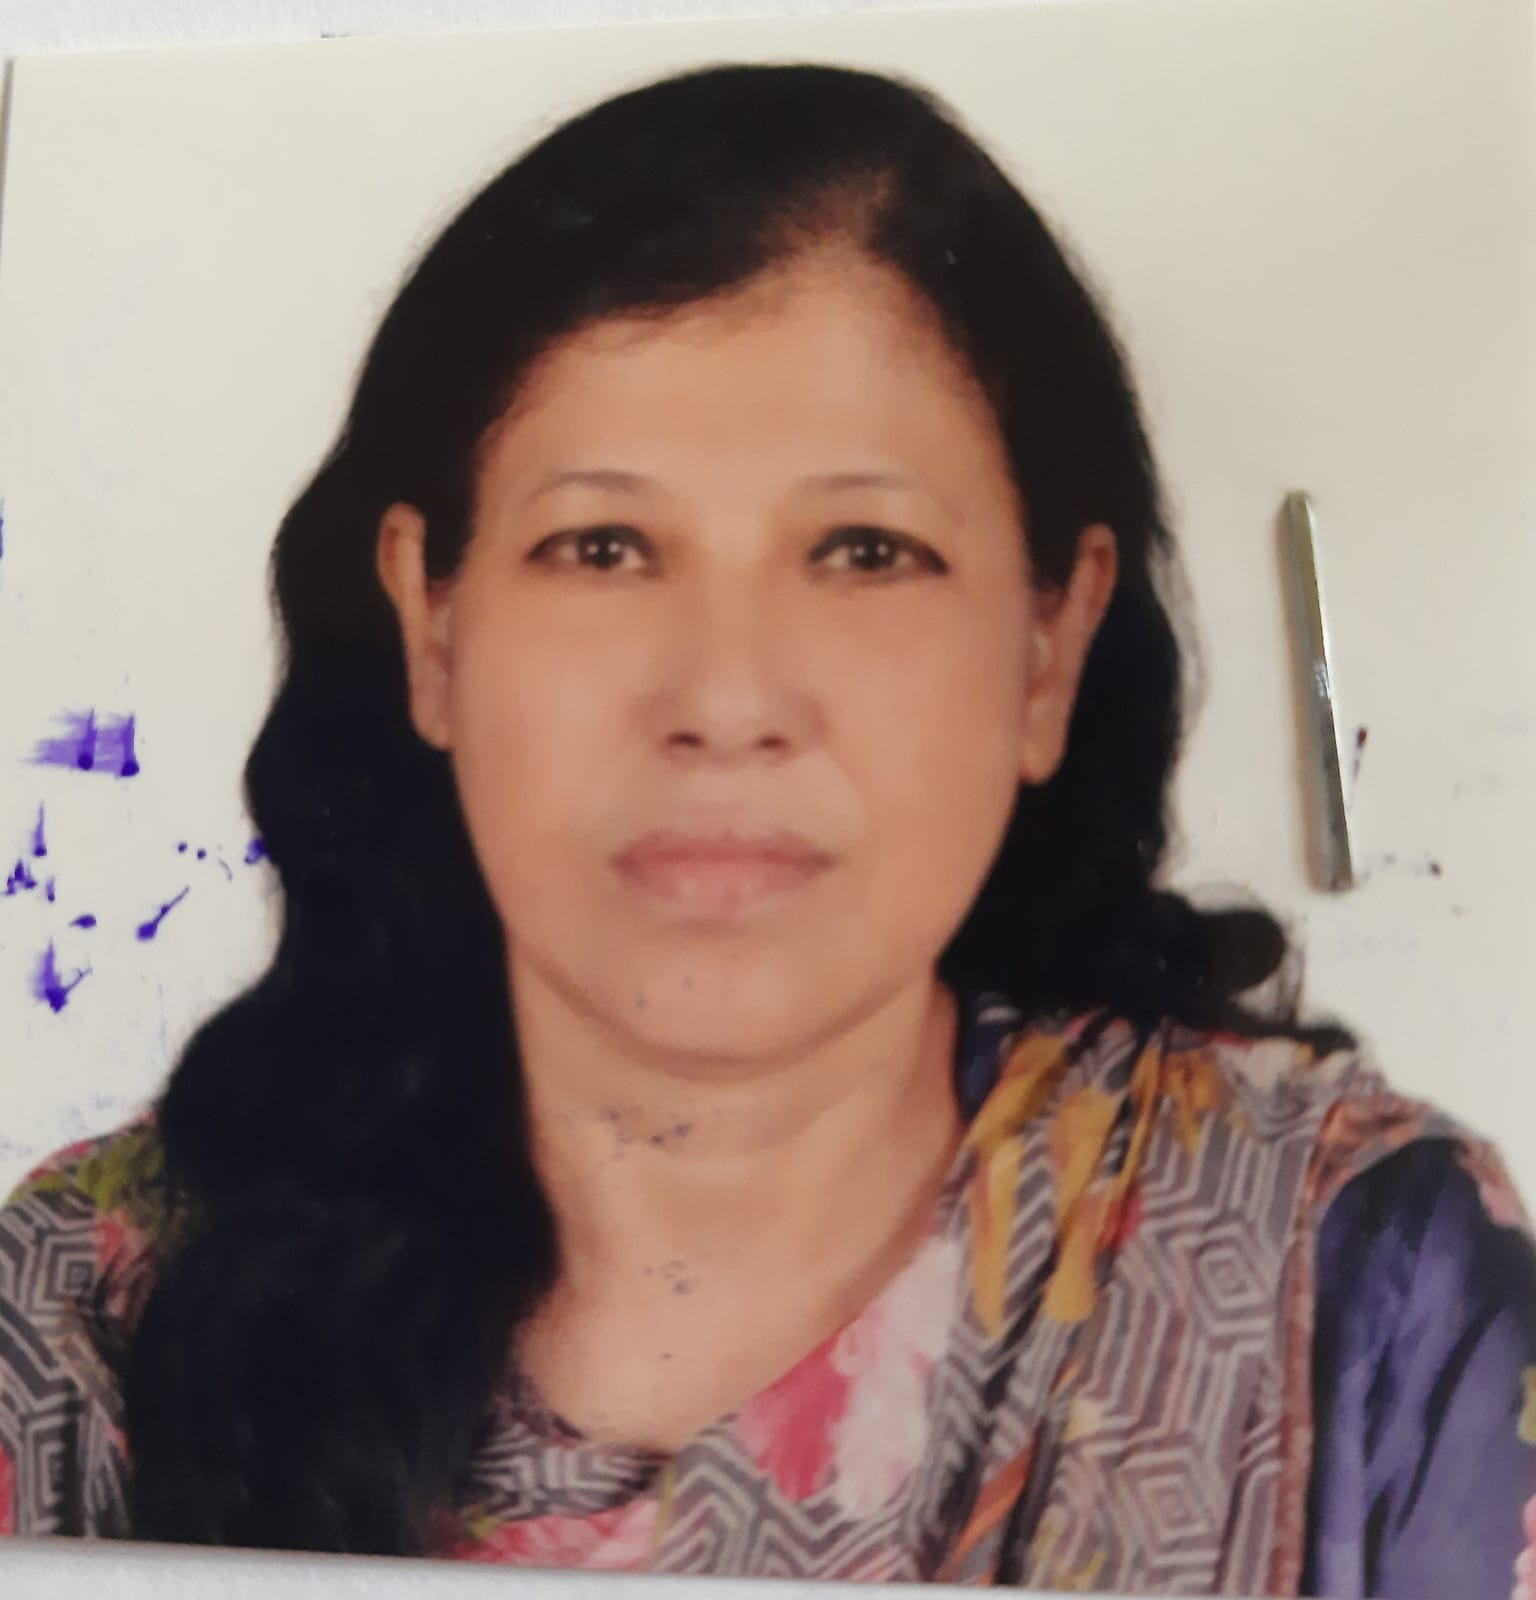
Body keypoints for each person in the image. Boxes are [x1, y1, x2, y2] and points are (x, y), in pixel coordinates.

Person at [1, 60, 1532, 1596]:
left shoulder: (1352, 1284)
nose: (726, 702)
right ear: (432, 626)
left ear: (1048, 648)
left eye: (865, 550)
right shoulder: (82, 1321)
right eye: (603, 546)